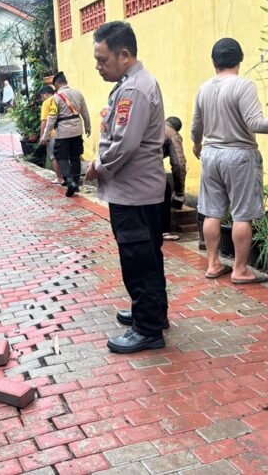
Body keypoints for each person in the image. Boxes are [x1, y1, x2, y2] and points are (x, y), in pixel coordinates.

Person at [191, 38, 268, 285]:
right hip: (239, 155)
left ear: (214, 62)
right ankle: (240, 270)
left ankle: (213, 263)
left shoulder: (203, 88)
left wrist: (198, 144)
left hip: (211, 155)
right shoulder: (243, 86)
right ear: (241, 57)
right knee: (241, 214)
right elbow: (257, 124)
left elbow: (195, 127)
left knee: (212, 212)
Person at [84, 21, 168, 354]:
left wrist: (99, 167)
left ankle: (147, 328)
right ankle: (151, 314)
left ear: (124, 55)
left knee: (138, 261)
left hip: (133, 193)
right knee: (149, 258)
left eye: (103, 60)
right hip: (139, 191)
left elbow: (125, 144)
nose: (98, 66)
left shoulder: (134, 89)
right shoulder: (133, 84)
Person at [40, 72, 91, 197]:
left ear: (57, 84)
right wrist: (88, 126)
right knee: (75, 156)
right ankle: (76, 182)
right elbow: (85, 112)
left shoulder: (56, 98)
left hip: (63, 132)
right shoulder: (78, 94)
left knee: (60, 156)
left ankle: (69, 181)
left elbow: (51, 119)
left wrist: (45, 136)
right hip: (77, 130)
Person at [162, 116, 188, 241]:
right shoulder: (172, 134)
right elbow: (178, 164)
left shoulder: (156, 126)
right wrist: (179, 192)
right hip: (148, 166)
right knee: (164, 190)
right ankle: (164, 231)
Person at [38, 84, 64, 184]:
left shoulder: (46, 103)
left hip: (52, 133)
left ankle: (59, 178)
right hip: (63, 132)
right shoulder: (60, 98)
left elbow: (44, 121)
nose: (41, 99)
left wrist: (42, 137)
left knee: (53, 156)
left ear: (44, 95)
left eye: (41, 96)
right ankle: (69, 177)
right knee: (65, 156)